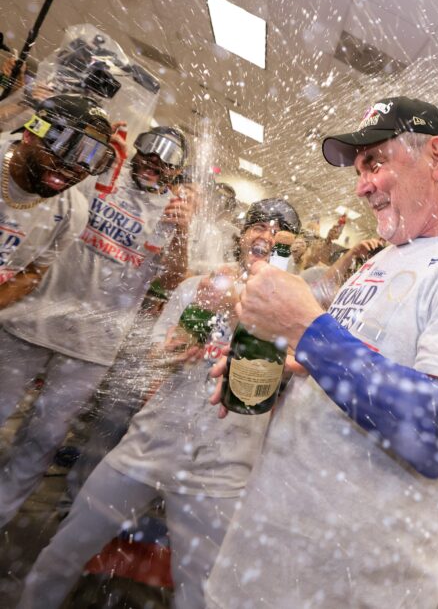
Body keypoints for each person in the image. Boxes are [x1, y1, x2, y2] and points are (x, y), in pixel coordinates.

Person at [203, 96, 438, 608]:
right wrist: (290, 369)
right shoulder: (385, 260)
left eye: (375, 163)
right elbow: (359, 368)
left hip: (347, 579)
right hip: (268, 553)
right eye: (359, 170)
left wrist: (307, 330)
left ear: (437, 158)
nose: (362, 186)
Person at [14, 199, 299, 609]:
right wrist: (181, 341)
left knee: (201, 592)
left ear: (292, 251)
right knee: (64, 551)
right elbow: (156, 358)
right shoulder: (197, 288)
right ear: (242, 235)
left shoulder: (295, 315)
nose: (266, 237)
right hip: (148, 446)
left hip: (222, 471)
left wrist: (240, 312)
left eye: (279, 235)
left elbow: (283, 379)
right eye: (259, 227)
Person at [0, 124, 194, 528]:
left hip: (94, 346)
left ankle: (2, 514)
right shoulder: (101, 172)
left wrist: (184, 231)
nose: (155, 162)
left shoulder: (174, 212)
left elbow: (173, 282)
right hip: (32, 318)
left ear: (178, 171)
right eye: (150, 151)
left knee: (44, 437)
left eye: (168, 159)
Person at [0, 94, 117, 308]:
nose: (74, 167)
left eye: (90, 156)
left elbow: (32, 273)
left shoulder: (74, 211)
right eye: (65, 146)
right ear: (29, 134)